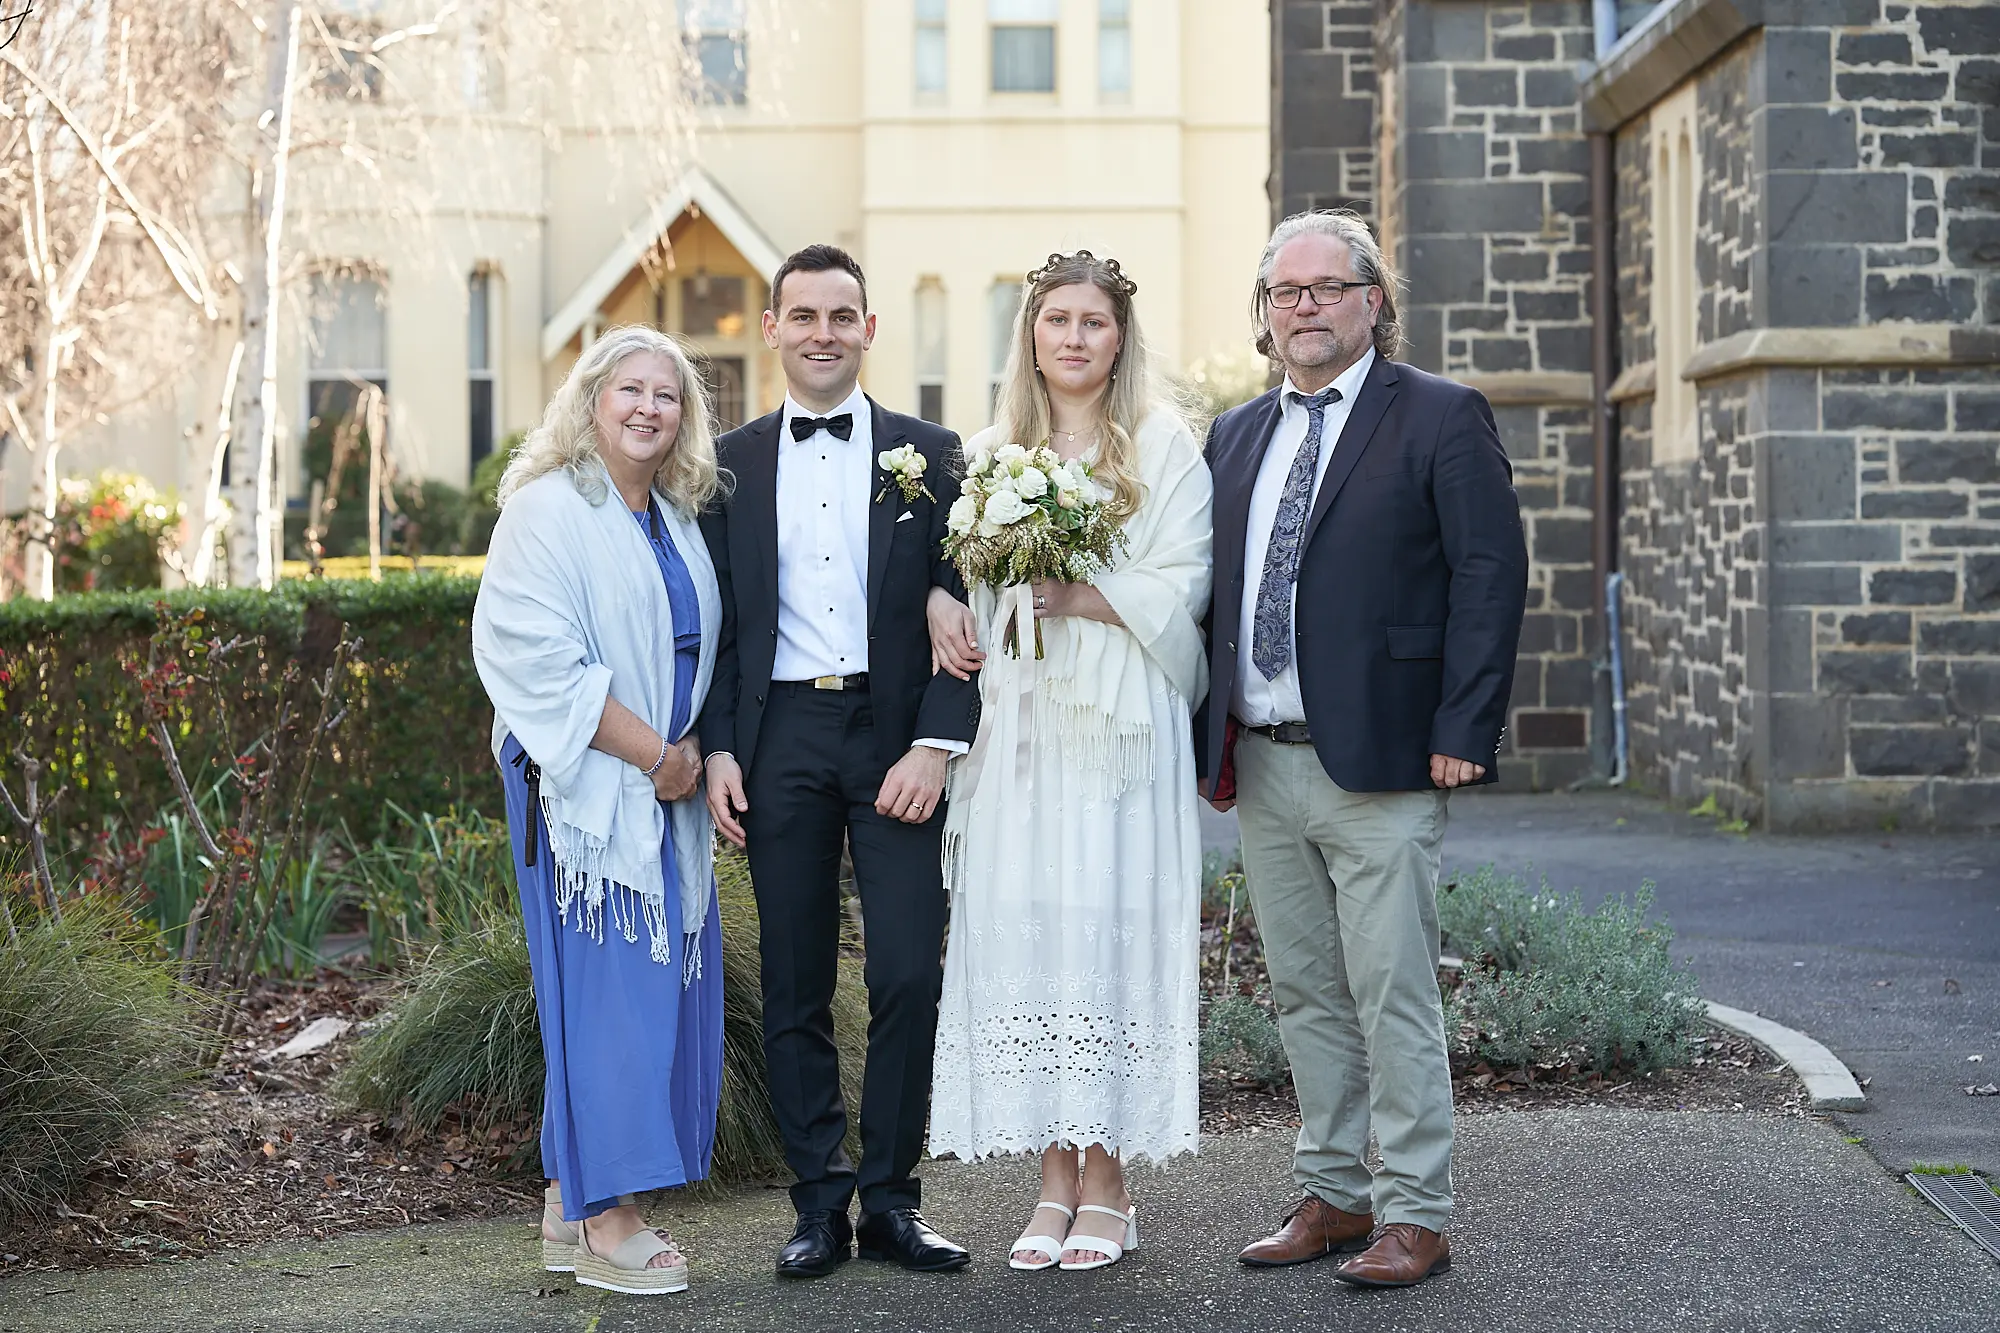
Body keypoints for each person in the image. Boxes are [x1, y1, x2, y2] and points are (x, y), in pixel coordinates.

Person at [1196, 210, 1528, 1288]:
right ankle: (1335, 1192)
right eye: (1284, 292)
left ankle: (1417, 1212)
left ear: (1371, 301)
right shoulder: (1234, 434)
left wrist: (1463, 727)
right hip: (1265, 757)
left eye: (1326, 288)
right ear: (1265, 312)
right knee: (1303, 989)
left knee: (1392, 991)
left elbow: (1489, 576)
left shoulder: (1437, 414)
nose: (1305, 307)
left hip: (1384, 756)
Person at [925, 250, 1214, 1273]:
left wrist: (1082, 594)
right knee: (1034, 931)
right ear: (1032, 335)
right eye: (1058, 320)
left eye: (1094, 321)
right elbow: (952, 576)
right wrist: (943, 599)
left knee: (1103, 929)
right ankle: (1053, 1179)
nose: (1075, 337)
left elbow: (1186, 581)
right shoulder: (989, 451)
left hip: (1119, 729)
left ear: (1119, 337)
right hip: (1020, 728)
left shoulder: (1164, 445)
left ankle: (1111, 1184)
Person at [698, 244, 979, 1279]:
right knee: (795, 979)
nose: (824, 333)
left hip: (894, 733)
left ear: (869, 330)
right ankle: (818, 1201)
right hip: (779, 737)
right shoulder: (725, 466)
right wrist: (719, 747)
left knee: (907, 968)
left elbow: (970, 606)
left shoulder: (932, 454)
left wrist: (936, 743)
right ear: (772, 328)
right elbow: (720, 625)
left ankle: (893, 1199)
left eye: (841, 315)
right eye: (804, 315)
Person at [471, 326, 728, 1297]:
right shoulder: (546, 510)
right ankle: (608, 1221)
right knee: (611, 999)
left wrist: (686, 758)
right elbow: (532, 658)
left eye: (667, 394)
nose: (648, 407)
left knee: (638, 995)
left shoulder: (674, 519)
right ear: (590, 401)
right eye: (630, 389)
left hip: (666, 792)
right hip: (585, 793)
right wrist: (654, 754)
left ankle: (564, 1197)